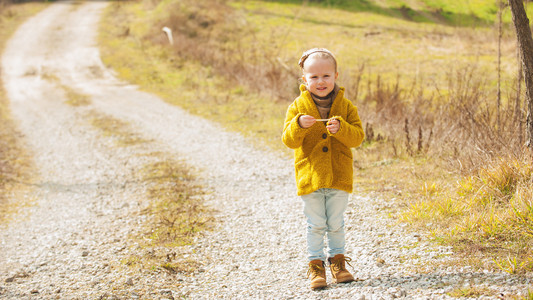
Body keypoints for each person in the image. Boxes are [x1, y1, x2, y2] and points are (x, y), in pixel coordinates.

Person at [281, 48, 365, 289]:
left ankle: (338, 263)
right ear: (304, 79)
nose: (320, 82)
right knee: (315, 224)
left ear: (336, 75)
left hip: (339, 176)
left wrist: (343, 130)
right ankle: (315, 266)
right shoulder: (297, 107)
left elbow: (357, 137)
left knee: (336, 222)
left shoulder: (346, 107)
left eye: (326, 76)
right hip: (311, 176)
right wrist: (298, 125)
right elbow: (288, 140)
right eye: (314, 77)